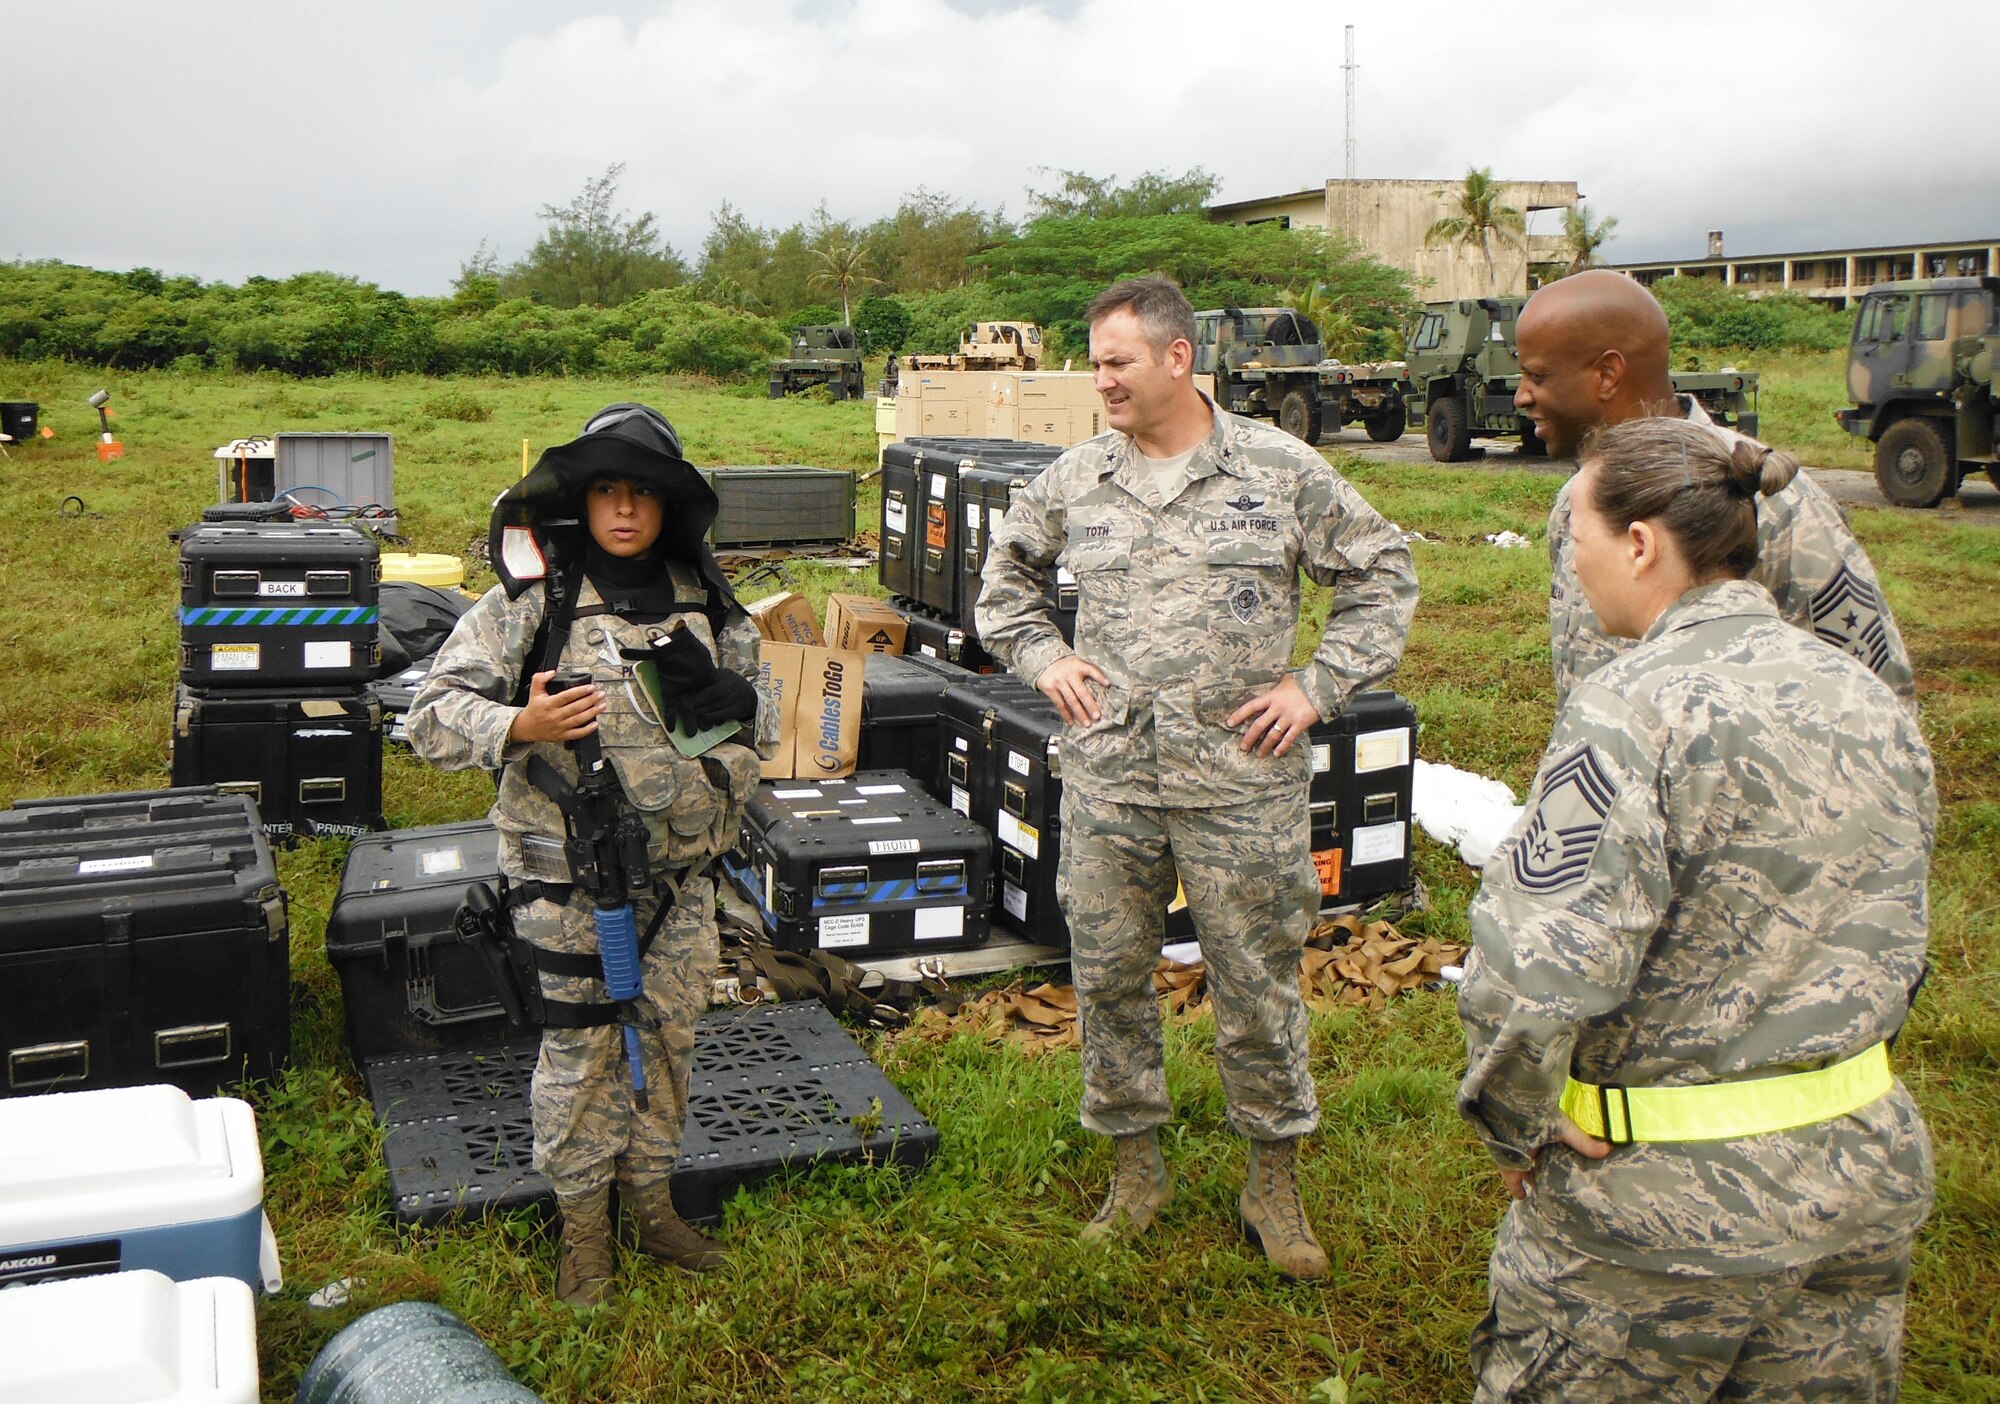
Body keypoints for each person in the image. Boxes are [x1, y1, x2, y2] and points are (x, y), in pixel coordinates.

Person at [1457, 415, 1936, 1401]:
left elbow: (1534, 969)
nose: (1573, 570)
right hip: (1859, 1186)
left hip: (1653, 1226)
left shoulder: (1628, 707)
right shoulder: (1867, 699)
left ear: (1638, 544)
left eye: (1576, 540)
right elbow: (1901, 935)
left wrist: (1516, 1123)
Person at [976, 276, 1419, 1278]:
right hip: (1111, 785)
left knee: (1257, 987)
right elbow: (1001, 588)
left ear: (1177, 359)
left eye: (1117, 362)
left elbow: (1381, 573)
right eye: (1095, 364)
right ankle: (1135, 1171)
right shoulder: (1076, 477)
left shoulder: (1278, 467)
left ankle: (1271, 1184)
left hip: (1242, 787)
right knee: (1109, 978)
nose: (1102, 383)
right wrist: (1045, 660)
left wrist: (1317, 686)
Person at [407, 404, 776, 1307]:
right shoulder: (535, 603)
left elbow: (769, 723)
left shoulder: (711, 604)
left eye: (640, 493)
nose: (623, 509)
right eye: (607, 490)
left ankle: (653, 1208)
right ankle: (584, 1237)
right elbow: (426, 715)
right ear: (583, 501)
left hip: (684, 881)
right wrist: (517, 722)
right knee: (578, 1054)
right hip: (570, 879)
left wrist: (734, 696)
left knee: (670, 1040)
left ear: (667, 509)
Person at [1515, 269, 1915, 711]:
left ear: (1608, 374)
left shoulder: (1770, 500)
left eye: (1538, 377)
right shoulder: (1576, 504)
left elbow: (1876, 699)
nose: (1522, 396)